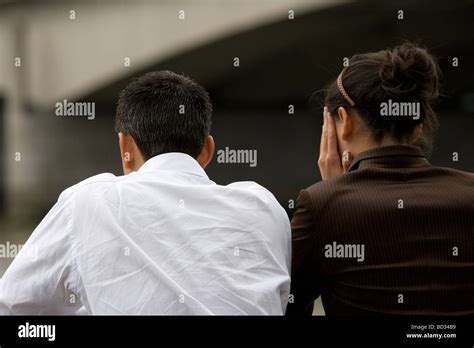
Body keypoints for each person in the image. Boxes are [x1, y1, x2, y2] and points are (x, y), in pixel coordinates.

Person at [0, 71, 291, 315]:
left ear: (125, 148)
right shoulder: (263, 208)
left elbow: (11, 304)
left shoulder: (88, 203)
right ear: (208, 150)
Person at [287, 43, 474, 315]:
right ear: (418, 124)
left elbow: (286, 305)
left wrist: (334, 195)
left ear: (344, 120)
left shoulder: (320, 205)